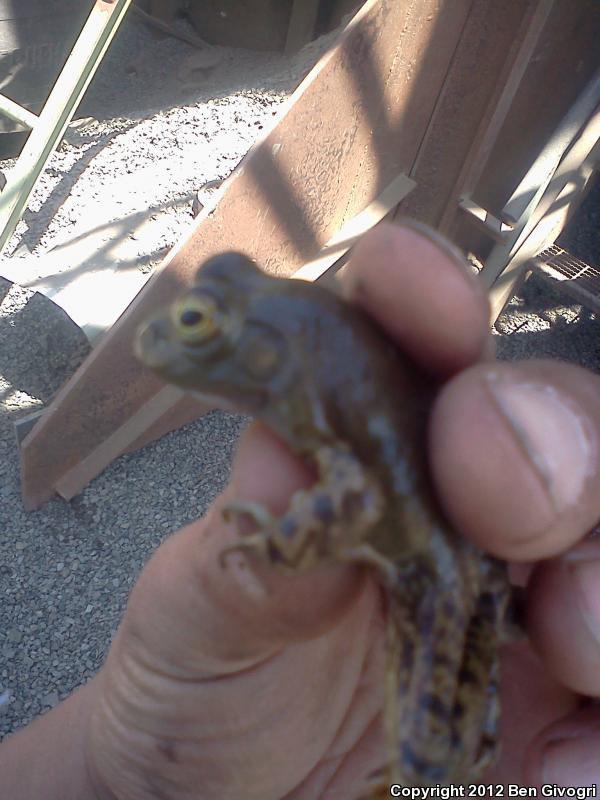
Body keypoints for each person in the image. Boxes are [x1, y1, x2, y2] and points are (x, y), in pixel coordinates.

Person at [1, 223, 599, 799]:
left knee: (439, 762)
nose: (164, 337)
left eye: (197, 324)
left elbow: (352, 498)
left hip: (450, 607)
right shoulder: (331, 418)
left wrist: (288, 539)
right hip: (456, 595)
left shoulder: (336, 429)